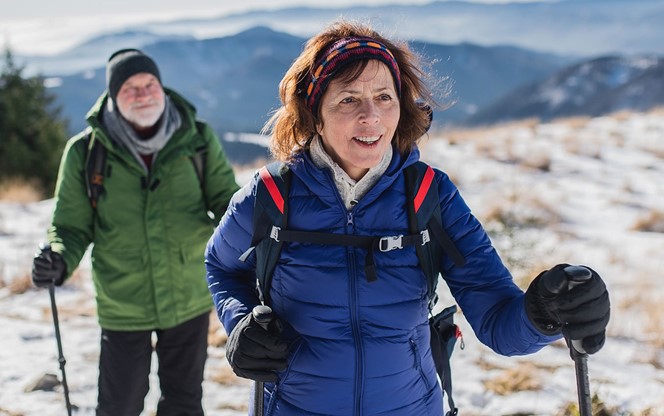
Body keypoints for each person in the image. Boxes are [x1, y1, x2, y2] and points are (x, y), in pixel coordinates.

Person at [204, 21, 610, 416]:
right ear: (314, 114)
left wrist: (543, 312)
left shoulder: (430, 196)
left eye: (385, 97)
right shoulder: (272, 194)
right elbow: (222, 266)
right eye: (348, 99)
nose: (371, 116)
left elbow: (497, 321)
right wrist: (240, 323)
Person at [32, 48, 239, 415]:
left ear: (161, 88)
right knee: (119, 404)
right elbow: (69, 225)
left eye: (150, 84)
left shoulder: (197, 139)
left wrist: (252, 236)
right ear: (114, 96)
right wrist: (60, 257)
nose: (143, 93)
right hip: (124, 299)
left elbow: (226, 202)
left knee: (184, 401)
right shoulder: (86, 152)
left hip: (188, 293)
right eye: (131, 87)